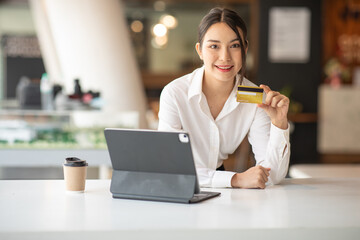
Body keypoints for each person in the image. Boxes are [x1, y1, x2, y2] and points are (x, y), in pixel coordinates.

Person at [158, 7, 290, 189]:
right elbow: (169, 167)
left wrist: (279, 124)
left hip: (221, 190)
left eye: (234, 46)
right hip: (180, 188)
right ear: (200, 50)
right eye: (214, 46)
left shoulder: (253, 97)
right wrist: (235, 179)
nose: (225, 57)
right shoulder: (175, 94)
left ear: (245, 49)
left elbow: (272, 175)